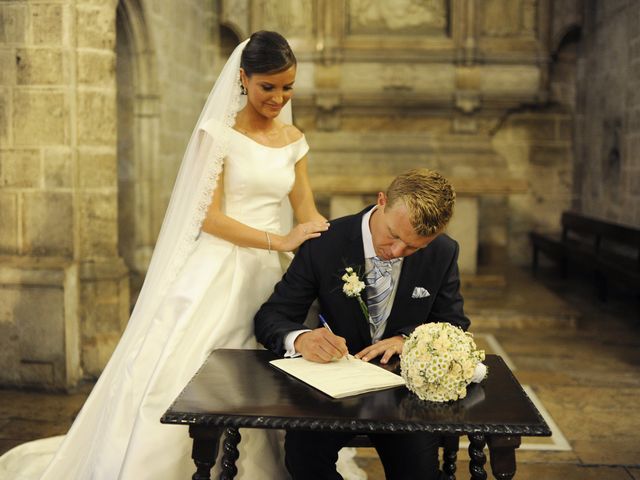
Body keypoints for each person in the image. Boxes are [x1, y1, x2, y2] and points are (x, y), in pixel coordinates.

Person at [0, 31, 330, 479]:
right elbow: (208, 217)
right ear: (243, 79)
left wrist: (332, 246)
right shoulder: (218, 135)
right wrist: (280, 241)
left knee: (262, 378)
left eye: (287, 87)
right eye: (267, 86)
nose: (278, 97)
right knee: (188, 372)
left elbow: (305, 209)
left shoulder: (294, 139)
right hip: (221, 269)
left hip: (271, 275)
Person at [255, 168, 471, 480]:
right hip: (331, 390)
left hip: (404, 396)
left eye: (414, 247)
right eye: (394, 236)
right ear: (381, 201)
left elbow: (453, 325)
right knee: (304, 460)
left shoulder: (443, 251)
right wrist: (301, 339)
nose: (397, 252)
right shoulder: (325, 244)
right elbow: (271, 317)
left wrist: (407, 340)